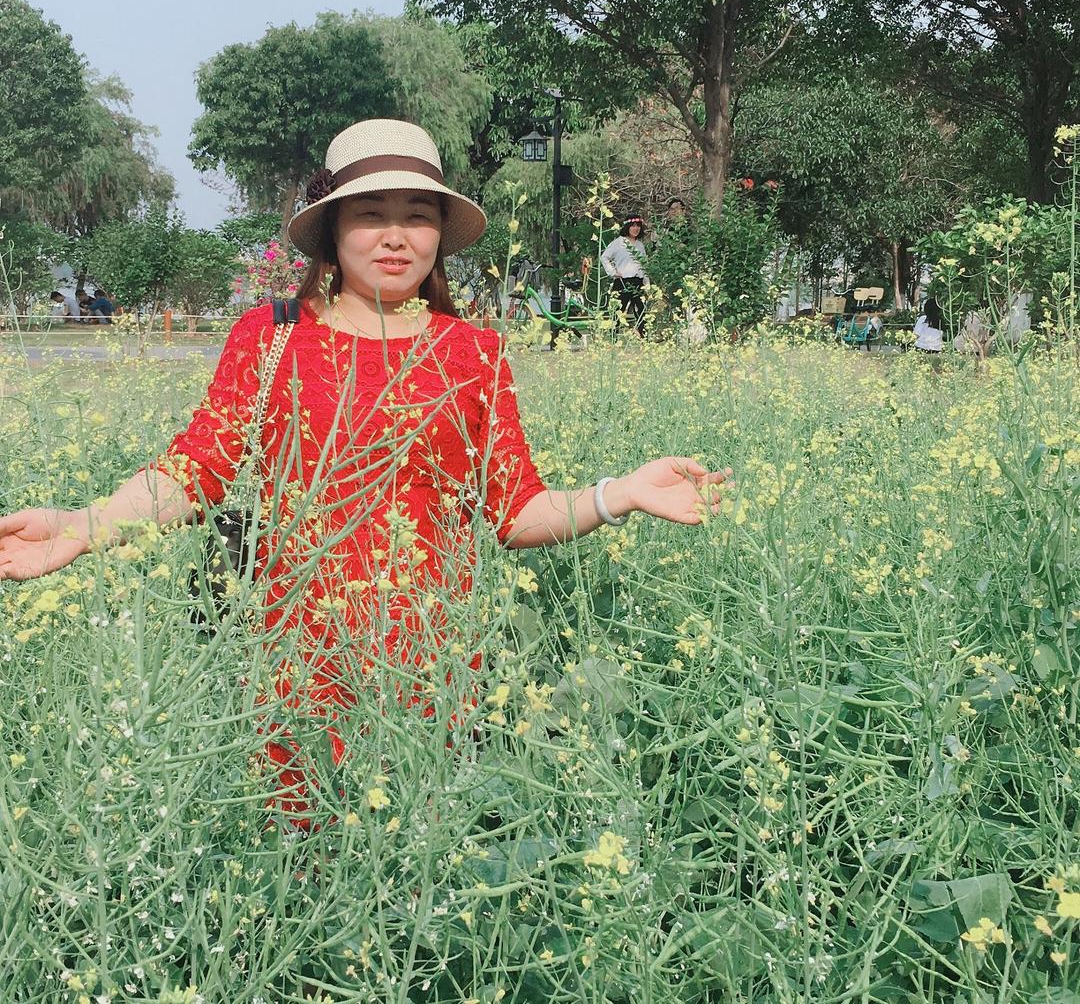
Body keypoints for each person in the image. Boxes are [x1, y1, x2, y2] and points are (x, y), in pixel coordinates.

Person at [0, 119, 732, 825]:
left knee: (410, 879)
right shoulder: (274, 334)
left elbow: (518, 514)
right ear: (332, 228)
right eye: (370, 213)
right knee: (303, 878)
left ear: (440, 235)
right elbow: (196, 471)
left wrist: (620, 495)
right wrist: (82, 526)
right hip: (300, 658)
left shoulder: (474, 351)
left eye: (417, 215)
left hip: (431, 664)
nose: (394, 235)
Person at [601, 215, 649, 335]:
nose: (635, 228)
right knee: (617, 311)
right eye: (632, 226)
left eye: (638, 226)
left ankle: (643, 336)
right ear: (627, 227)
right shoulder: (618, 243)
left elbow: (644, 265)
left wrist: (647, 283)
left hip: (638, 282)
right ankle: (613, 338)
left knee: (641, 310)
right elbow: (604, 257)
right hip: (622, 281)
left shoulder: (640, 245)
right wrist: (612, 272)